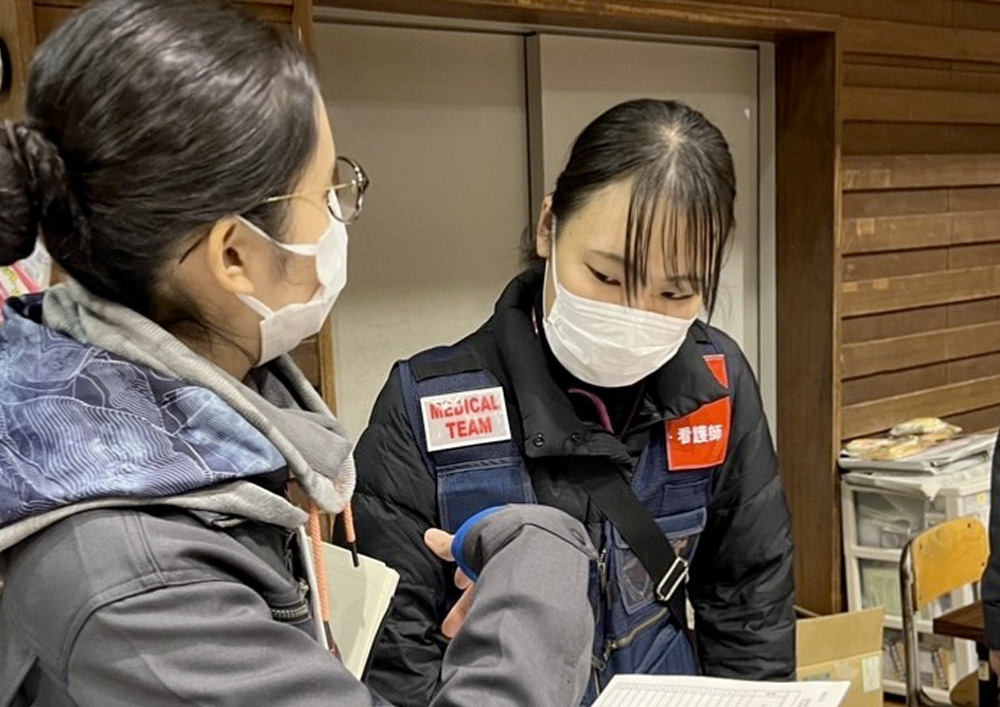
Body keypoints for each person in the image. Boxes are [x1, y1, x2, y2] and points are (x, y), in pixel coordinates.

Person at [0, 2, 597, 706]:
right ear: (234, 254)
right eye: (328, 191)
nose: (343, 212)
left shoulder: (211, 416)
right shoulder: (136, 580)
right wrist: (546, 566)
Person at [352, 98, 796, 706]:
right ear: (547, 227)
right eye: (607, 277)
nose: (633, 314)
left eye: (675, 290)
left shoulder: (718, 383)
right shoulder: (426, 406)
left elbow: (750, 595)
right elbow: (399, 651)